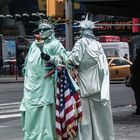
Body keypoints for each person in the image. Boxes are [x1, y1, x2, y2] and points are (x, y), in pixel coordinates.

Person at [20, 18, 81, 140]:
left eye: (44, 29)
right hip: (30, 88)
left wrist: (50, 58)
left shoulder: (55, 44)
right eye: (39, 30)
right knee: (29, 115)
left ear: (51, 30)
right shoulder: (33, 45)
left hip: (45, 88)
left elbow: (67, 63)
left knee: (45, 117)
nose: (41, 32)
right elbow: (27, 64)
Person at [69, 15, 115, 140]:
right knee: (99, 117)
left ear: (82, 30)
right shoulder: (98, 44)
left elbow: (73, 60)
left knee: (85, 120)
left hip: (84, 86)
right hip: (98, 85)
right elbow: (103, 67)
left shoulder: (80, 43)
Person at [130, 49, 140, 115]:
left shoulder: (137, 60)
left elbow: (133, 69)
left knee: (138, 96)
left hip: (138, 81)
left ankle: (139, 110)